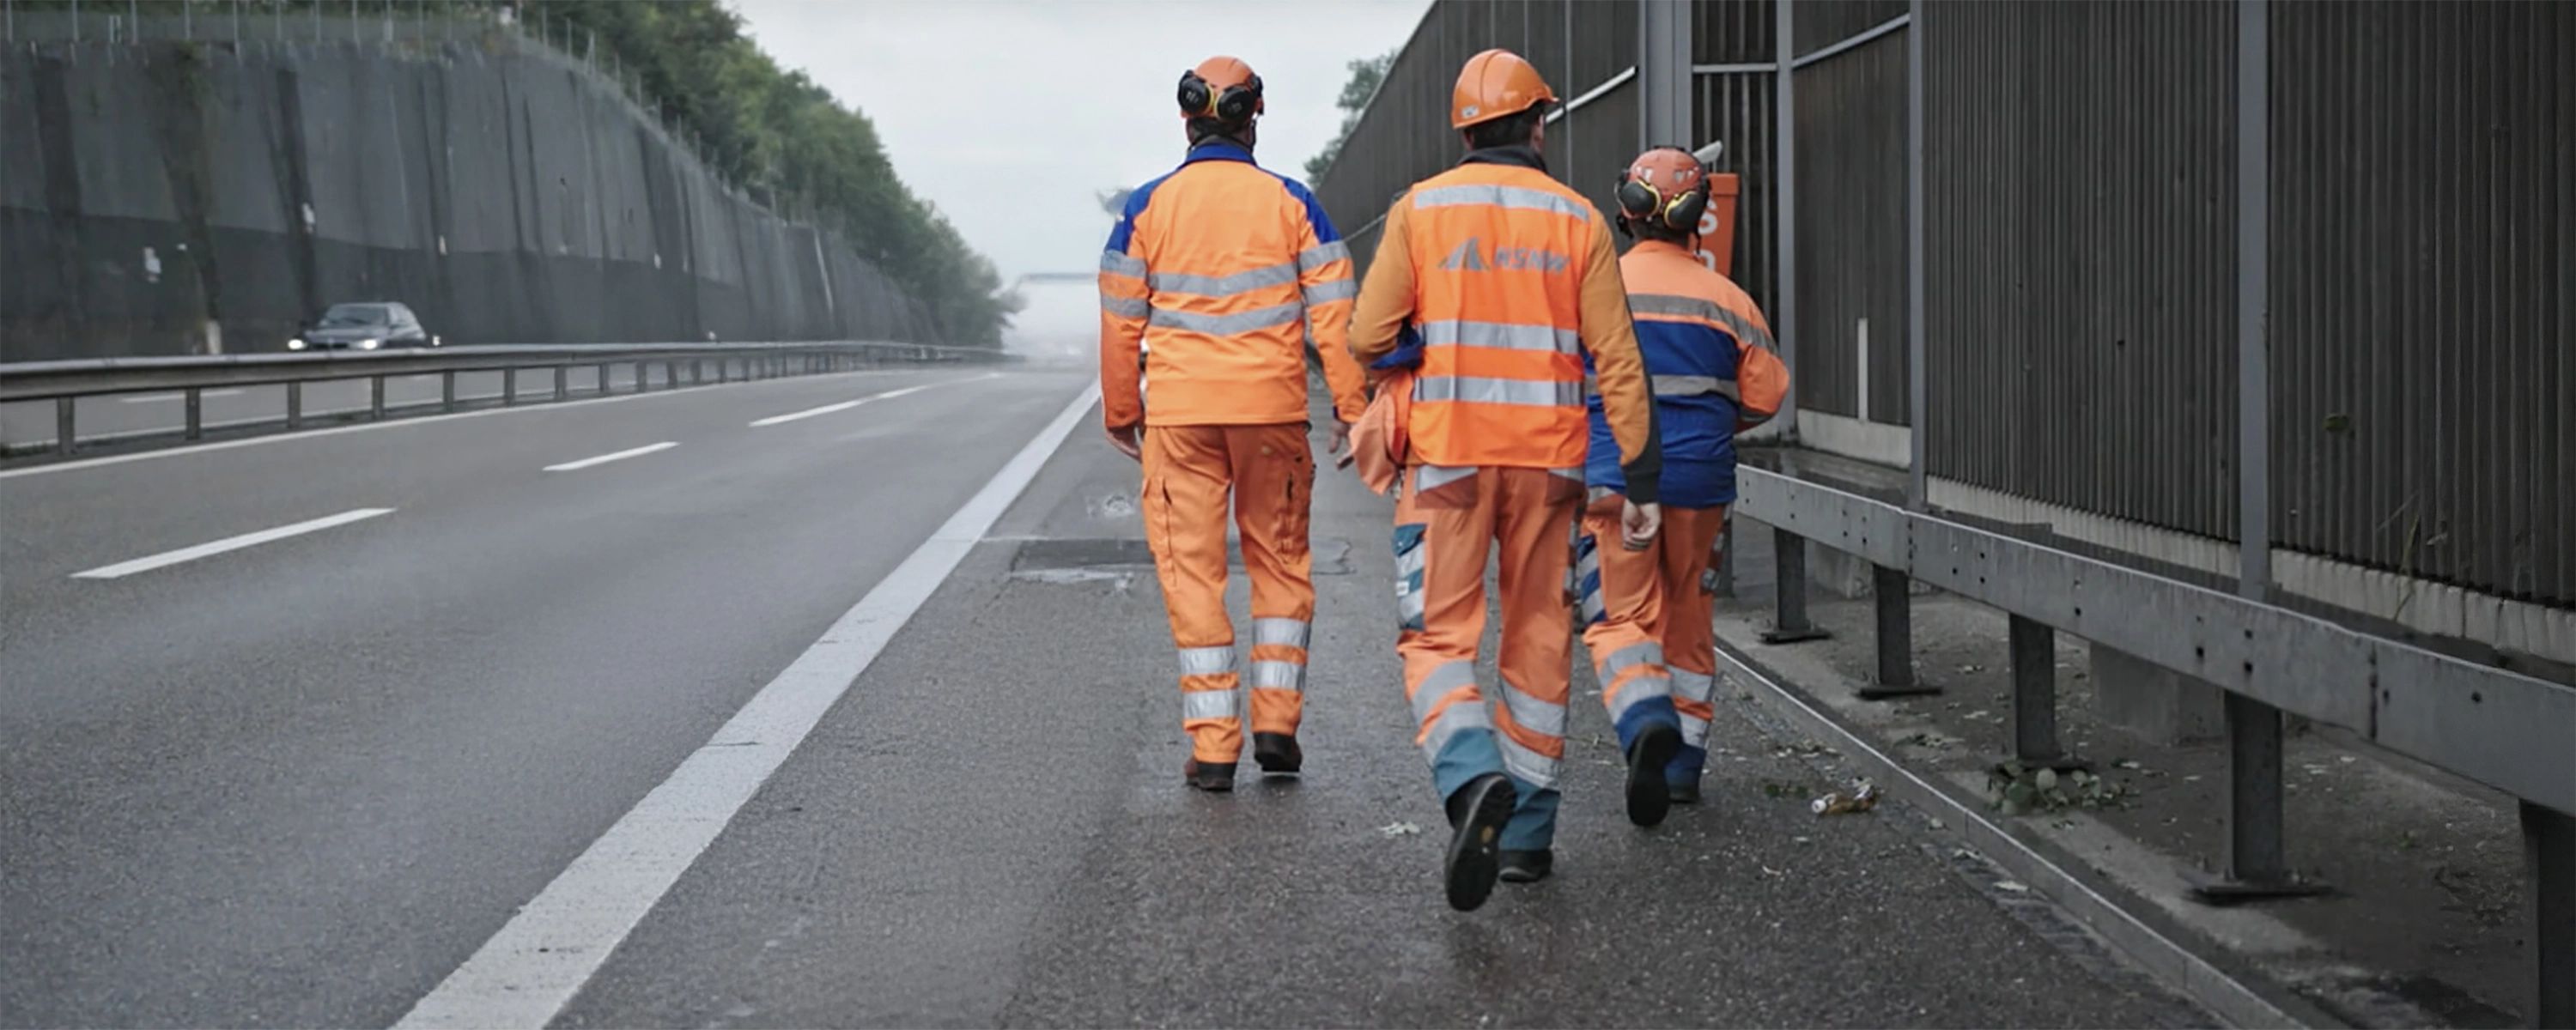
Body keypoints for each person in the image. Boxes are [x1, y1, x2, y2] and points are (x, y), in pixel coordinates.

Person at [1346, 48, 1668, 911]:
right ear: (1537, 124)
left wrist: (1413, 347)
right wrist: (1639, 476)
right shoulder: (1578, 220)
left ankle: (1470, 775)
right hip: (1552, 465)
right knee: (1536, 638)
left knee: (1436, 641)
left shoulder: (1420, 208)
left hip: (1447, 460)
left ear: (1463, 131)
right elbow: (1617, 361)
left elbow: (1365, 336)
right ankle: (1525, 837)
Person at [1099, 56, 1371, 793]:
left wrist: (1124, 409)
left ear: (1186, 119)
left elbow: (1122, 318)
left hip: (1182, 418)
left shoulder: (1147, 208)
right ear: (1255, 118)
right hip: (1272, 414)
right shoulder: (1294, 203)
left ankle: (1214, 747)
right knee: (1280, 564)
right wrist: (1352, 410)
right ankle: (1277, 722)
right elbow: (1336, 314)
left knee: (1193, 574)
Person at [1571, 146, 1788, 826]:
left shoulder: (1591, 290)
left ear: (1626, 214)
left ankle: (1643, 719)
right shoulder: (1730, 301)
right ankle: (1685, 763)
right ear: (1699, 219)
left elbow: (1566, 385)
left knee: (1618, 616)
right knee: (1690, 617)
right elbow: (1766, 396)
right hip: (1701, 485)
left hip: (1614, 478)